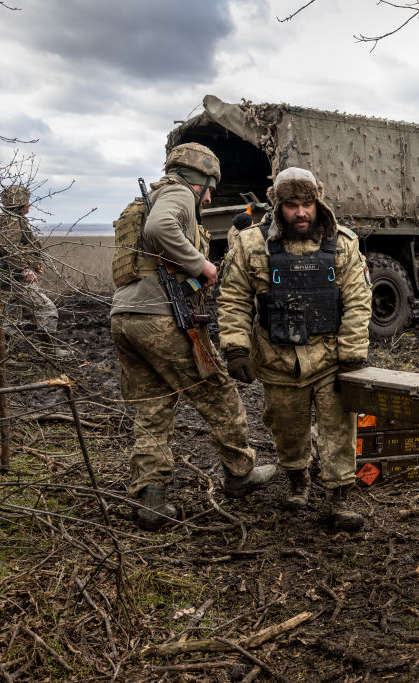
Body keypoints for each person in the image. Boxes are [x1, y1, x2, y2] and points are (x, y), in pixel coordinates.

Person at [110, 142, 275, 531]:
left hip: (126, 318)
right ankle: (239, 473)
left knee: (154, 408)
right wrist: (199, 263)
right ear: (199, 179)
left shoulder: (144, 200)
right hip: (160, 318)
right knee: (218, 392)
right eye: (211, 187)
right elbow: (160, 227)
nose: (211, 196)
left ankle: (151, 497)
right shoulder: (178, 194)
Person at [218, 167, 372, 528]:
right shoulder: (251, 244)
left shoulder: (344, 243)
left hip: (332, 358)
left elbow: (358, 302)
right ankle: (297, 481)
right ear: (278, 206)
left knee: (338, 431)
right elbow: (234, 299)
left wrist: (351, 357)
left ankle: (337, 500)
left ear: (318, 203)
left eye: (307, 203)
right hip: (277, 358)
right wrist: (236, 348)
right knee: (287, 429)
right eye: (291, 205)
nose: (301, 212)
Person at [0, 184, 69, 357]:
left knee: (9, 319)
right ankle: (50, 351)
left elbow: (25, 246)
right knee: (47, 309)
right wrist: (24, 270)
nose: (29, 204)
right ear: (20, 203)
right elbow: (10, 248)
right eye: (26, 201)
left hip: (7, 277)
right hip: (14, 276)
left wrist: (35, 264)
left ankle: (3, 358)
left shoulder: (10, 219)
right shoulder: (12, 221)